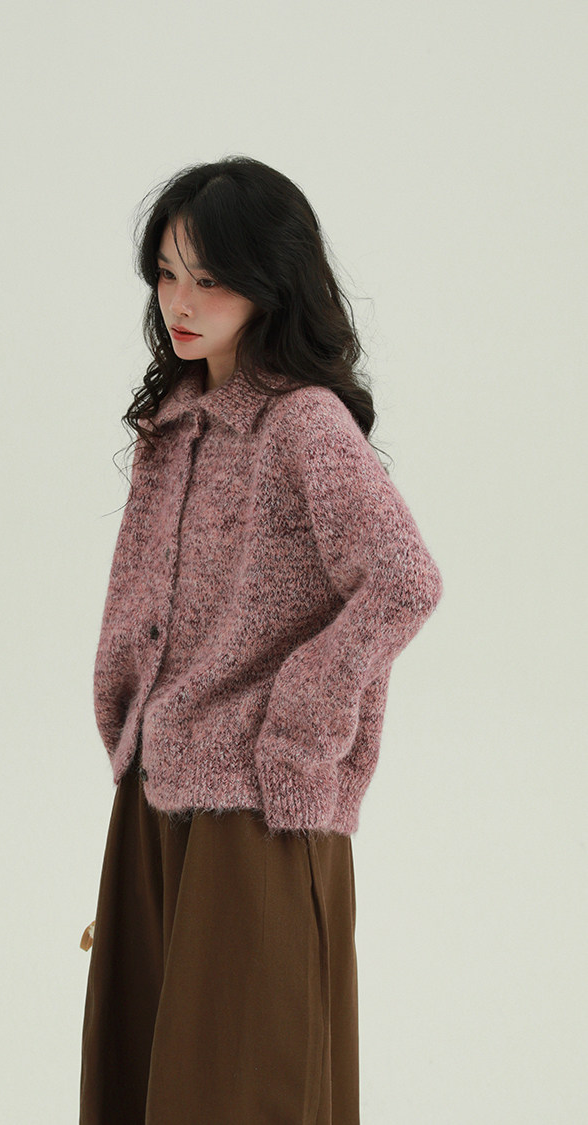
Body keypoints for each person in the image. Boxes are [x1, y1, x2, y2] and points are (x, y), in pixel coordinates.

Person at [78, 155, 444, 1124]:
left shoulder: (304, 423)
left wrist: (298, 721)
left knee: (235, 1095)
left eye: (209, 278)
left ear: (269, 282)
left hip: (257, 810)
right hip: (153, 798)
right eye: (166, 274)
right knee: (141, 1086)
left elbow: (405, 579)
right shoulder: (172, 422)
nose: (179, 302)